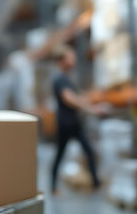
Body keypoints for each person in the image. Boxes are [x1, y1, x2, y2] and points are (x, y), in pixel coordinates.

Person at [50, 45, 105, 194]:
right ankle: (53, 187)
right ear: (62, 60)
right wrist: (91, 109)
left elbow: (76, 97)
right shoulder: (60, 78)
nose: (73, 60)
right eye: (70, 56)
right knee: (60, 154)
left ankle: (96, 183)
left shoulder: (66, 78)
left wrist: (89, 102)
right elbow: (70, 99)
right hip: (66, 123)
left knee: (88, 150)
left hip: (74, 122)